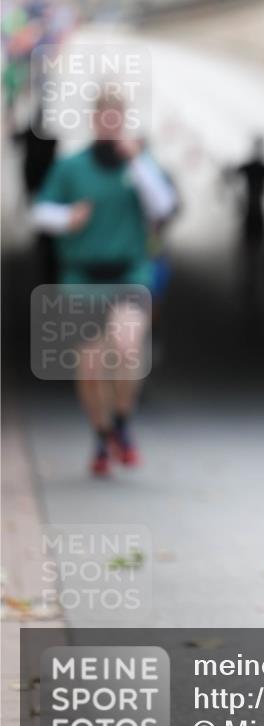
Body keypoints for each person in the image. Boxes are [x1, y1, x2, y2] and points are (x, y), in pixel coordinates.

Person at [31, 90, 177, 476]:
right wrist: (67, 219)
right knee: (92, 367)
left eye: (117, 118)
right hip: (82, 276)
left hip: (129, 272)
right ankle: (101, 433)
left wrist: (138, 163)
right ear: (95, 120)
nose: (111, 125)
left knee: (128, 349)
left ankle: (123, 423)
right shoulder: (71, 167)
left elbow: (164, 207)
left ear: (124, 120)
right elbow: (41, 211)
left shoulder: (139, 164)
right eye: (104, 118)